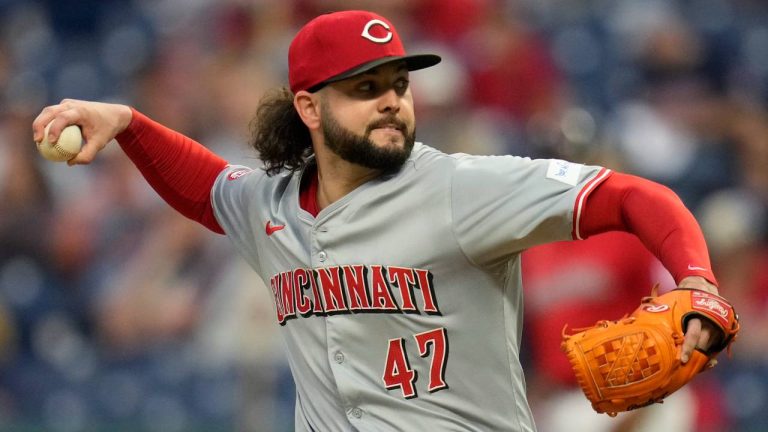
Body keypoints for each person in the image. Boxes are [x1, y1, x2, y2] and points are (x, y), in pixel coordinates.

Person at [32, 10, 724, 432]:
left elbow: (634, 195)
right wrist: (125, 122)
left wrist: (696, 280)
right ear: (310, 108)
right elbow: (207, 187)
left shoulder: (463, 187)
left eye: (398, 84)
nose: (392, 102)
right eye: (366, 90)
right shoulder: (271, 207)